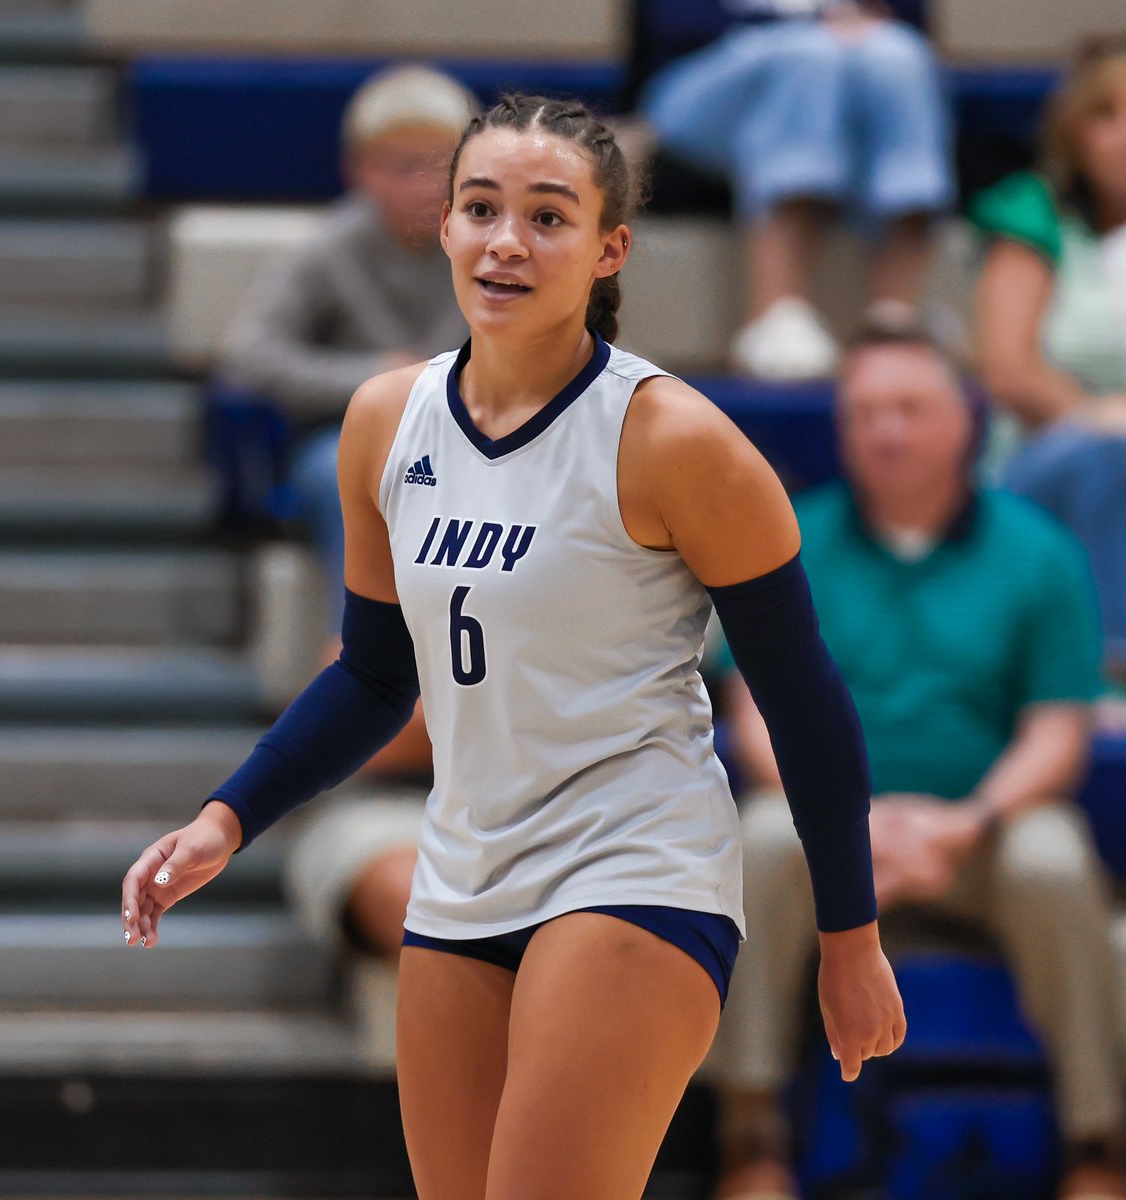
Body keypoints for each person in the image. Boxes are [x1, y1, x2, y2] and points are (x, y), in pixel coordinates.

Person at [121, 95, 904, 1200]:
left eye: (548, 217)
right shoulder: (385, 422)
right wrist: (226, 817)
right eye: (481, 207)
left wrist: (848, 937)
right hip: (465, 874)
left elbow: (804, 698)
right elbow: (374, 675)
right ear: (442, 227)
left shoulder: (673, 439)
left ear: (608, 249)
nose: (506, 240)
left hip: (636, 866)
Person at [703, 326, 1121, 1200]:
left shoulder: (1037, 552)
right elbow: (755, 721)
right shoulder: (786, 544)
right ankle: (750, 1139)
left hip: (980, 834)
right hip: (828, 830)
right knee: (762, 839)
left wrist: (968, 822)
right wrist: (851, 826)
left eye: (909, 410)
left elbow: (1057, 730)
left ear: (965, 424)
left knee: (1054, 862)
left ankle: (1097, 1147)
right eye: (865, 414)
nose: (886, 432)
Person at [219, 64, 475, 633]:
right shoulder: (330, 249)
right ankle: (357, 657)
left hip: (468, 435)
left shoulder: (491, 249)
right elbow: (251, 354)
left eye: (441, 166)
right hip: (346, 438)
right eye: (403, 167)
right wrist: (376, 377)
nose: (425, 184)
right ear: (359, 171)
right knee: (359, 474)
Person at [635, 0, 953, 379]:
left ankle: (892, 318)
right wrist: (811, 27)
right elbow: (672, 25)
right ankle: (776, 313)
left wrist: (864, 20)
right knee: (811, 54)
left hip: (854, 68)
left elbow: (907, 18)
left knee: (899, 54)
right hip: (707, 81)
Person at [970, 38, 1126, 709]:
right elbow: (1009, 370)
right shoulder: (1034, 215)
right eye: (1106, 115)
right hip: (1044, 464)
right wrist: (1102, 417)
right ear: (1074, 133)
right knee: (1102, 458)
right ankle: (1106, 674)